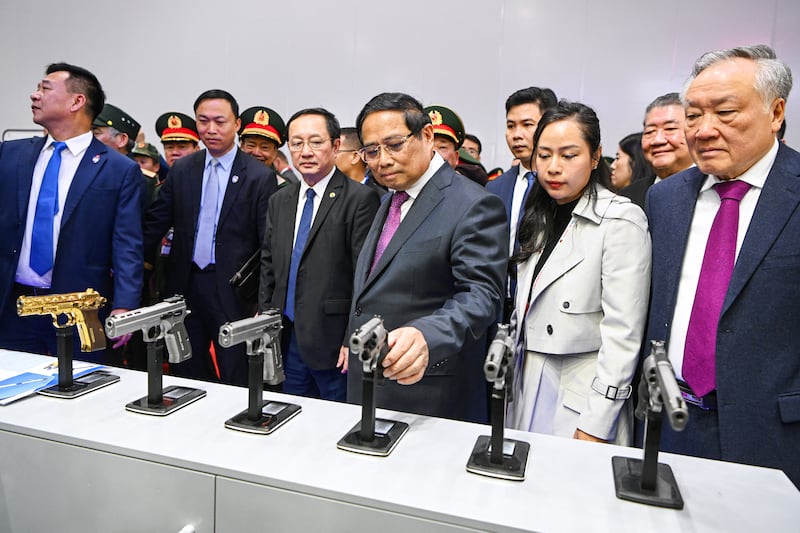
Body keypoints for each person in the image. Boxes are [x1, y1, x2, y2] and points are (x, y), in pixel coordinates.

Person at [646, 44, 799, 486]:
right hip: (666, 424)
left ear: (775, 112)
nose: (704, 130)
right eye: (693, 115)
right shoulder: (666, 198)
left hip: (772, 437)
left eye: (726, 112)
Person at [346, 92, 508, 423]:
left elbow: (481, 295)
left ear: (428, 136)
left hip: (427, 392)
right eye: (372, 151)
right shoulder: (391, 199)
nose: (383, 160)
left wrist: (426, 336)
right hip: (373, 383)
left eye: (394, 145)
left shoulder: (472, 204)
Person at [509, 101, 651, 445]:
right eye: (543, 155)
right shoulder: (539, 215)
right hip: (525, 383)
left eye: (569, 155)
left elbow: (623, 335)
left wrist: (597, 422)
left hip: (579, 397)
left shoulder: (620, 219)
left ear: (595, 156)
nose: (553, 168)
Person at [0, 63, 143, 360]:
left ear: (77, 101)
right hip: (14, 307)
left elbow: (127, 243)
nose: (34, 95)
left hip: (79, 310)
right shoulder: (11, 155)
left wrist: (125, 305)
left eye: (44, 88)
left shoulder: (118, 169)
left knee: (79, 395)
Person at [143, 89, 278, 386]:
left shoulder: (257, 175)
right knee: (184, 366)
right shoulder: (184, 169)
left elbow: (267, 244)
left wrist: (263, 301)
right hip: (184, 283)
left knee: (236, 371)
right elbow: (156, 222)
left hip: (233, 289)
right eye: (203, 121)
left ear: (237, 124)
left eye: (220, 121)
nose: (211, 129)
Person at [259, 108, 379, 401]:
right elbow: (268, 265)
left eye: (315, 142)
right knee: (289, 413)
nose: (305, 151)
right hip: (285, 337)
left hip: (332, 340)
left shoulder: (360, 199)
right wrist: (264, 323)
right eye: (296, 143)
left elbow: (364, 276)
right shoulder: (280, 200)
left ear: (336, 146)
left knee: (333, 423)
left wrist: (352, 338)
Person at [487, 86, 558, 321]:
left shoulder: (561, 188)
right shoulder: (493, 189)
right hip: (498, 310)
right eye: (510, 126)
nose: (517, 134)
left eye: (527, 125)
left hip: (546, 312)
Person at [620, 93, 694, 209]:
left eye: (670, 129)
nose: (657, 140)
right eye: (650, 132)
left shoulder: (714, 189)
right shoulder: (627, 199)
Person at [238, 106, 288, 186]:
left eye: (264, 147)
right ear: (241, 146)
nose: (256, 153)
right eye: (251, 145)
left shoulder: (283, 189)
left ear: (275, 152)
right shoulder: (226, 179)